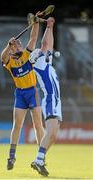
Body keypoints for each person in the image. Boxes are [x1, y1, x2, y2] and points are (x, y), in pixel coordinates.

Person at [0, 13, 44, 170]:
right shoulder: (10, 61)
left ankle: (41, 158)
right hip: (20, 94)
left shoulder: (26, 54)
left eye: (19, 43)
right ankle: (11, 157)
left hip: (32, 91)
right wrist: (8, 45)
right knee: (17, 125)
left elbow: (33, 38)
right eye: (16, 44)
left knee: (38, 125)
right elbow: (2, 57)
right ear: (12, 48)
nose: (19, 45)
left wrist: (36, 22)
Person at [29, 17, 62, 176]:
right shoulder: (39, 64)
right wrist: (48, 27)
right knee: (52, 133)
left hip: (54, 101)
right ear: (36, 57)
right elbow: (45, 45)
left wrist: (50, 26)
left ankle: (39, 160)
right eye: (40, 53)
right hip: (50, 99)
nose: (43, 52)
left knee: (54, 135)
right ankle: (38, 160)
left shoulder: (44, 62)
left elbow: (49, 45)